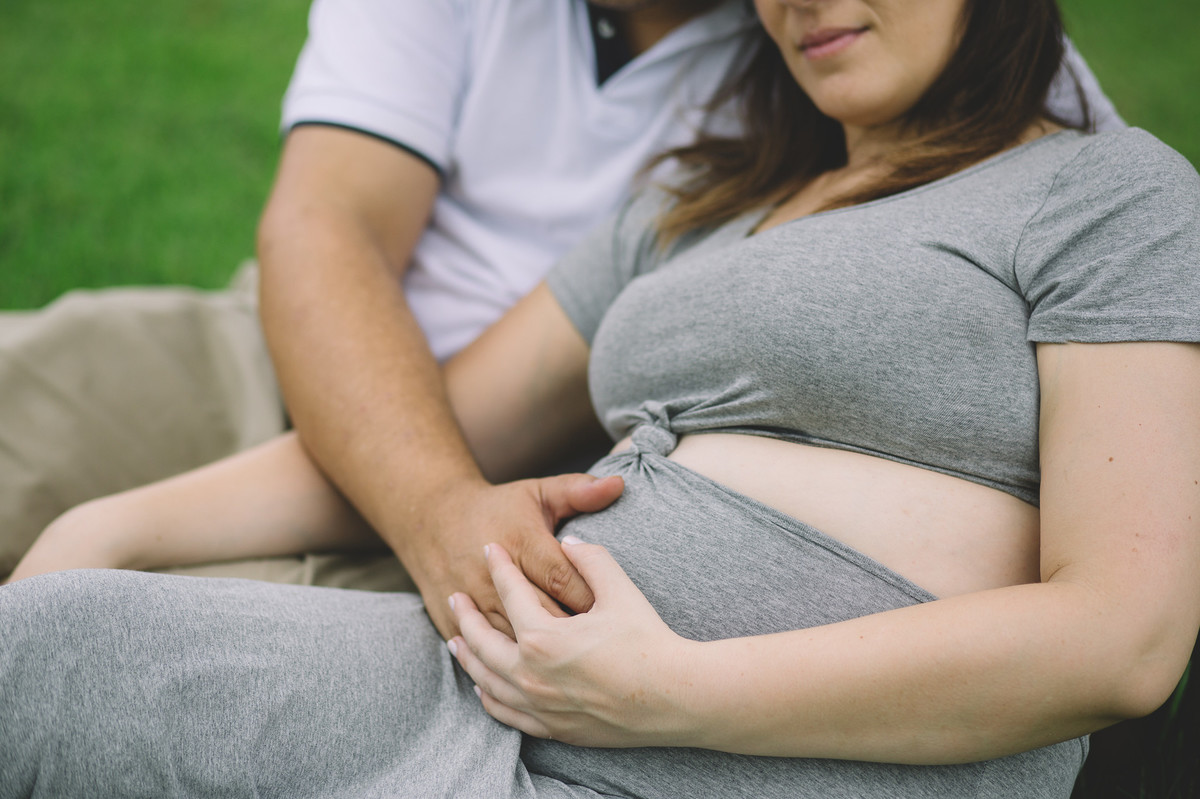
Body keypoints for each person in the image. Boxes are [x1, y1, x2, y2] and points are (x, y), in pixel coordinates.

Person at [3, 1, 1197, 798]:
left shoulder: (1107, 194)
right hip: (487, 696)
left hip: (735, 751)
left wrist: (667, 692)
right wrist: (118, 525)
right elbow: (440, 430)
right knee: (52, 648)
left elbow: (1125, 637)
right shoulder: (702, 198)